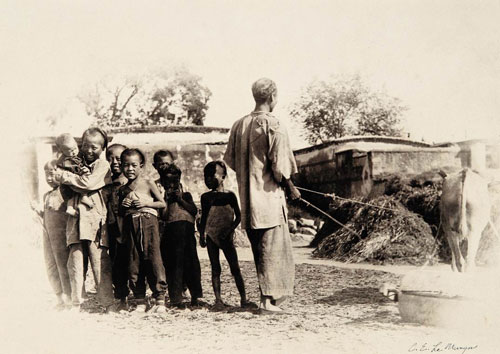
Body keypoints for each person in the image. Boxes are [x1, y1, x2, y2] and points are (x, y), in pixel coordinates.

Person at [223, 78, 301, 314]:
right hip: (269, 200)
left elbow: (232, 161)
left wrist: (251, 177)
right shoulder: (274, 125)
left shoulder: (239, 125)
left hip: (248, 200)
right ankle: (268, 301)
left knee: (260, 249)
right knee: (273, 250)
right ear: (273, 97)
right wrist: (290, 186)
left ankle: (266, 299)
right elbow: (280, 168)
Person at [51, 127, 114, 312]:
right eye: (85, 145)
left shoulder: (103, 166)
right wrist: (69, 178)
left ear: (102, 149)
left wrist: (66, 177)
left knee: (99, 261)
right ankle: (76, 302)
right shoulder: (74, 162)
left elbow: (88, 183)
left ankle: (107, 302)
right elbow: (70, 183)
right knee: (75, 262)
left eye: (94, 147)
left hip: (95, 221)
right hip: (75, 220)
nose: (88, 150)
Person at [199, 161, 254, 309]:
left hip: (226, 236)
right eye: (206, 176)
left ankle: (243, 299)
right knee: (215, 267)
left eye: (212, 175)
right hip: (211, 235)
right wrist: (202, 235)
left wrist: (230, 231)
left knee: (235, 268)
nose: (208, 179)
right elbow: (203, 217)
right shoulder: (205, 197)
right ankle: (218, 300)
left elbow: (239, 216)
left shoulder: (230, 196)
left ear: (223, 177)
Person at [118, 148, 168, 312]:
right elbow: (121, 212)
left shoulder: (147, 182)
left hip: (148, 223)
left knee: (153, 258)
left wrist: (146, 203)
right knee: (134, 261)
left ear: (141, 165)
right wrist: (124, 206)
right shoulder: (123, 188)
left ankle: (160, 299)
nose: (130, 169)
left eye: (133, 165)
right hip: (131, 226)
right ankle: (140, 300)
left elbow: (162, 204)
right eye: (126, 165)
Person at [160, 164, 203, 307]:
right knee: (174, 266)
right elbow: (165, 216)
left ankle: (196, 297)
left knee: (191, 264)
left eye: (175, 180)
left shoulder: (187, 195)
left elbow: (193, 210)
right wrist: (166, 201)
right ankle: (176, 298)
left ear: (179, 180)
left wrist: (180, 199)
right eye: (168, 181)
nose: (172, 184)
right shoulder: (164, 197)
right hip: (172, 232)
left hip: (187, 232)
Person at [34, 161, 72, 309]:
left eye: (53, 173)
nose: (49, 178)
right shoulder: (47, 195)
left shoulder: (66, 191)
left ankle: (68, 296)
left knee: (62, 264)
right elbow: (48, 215)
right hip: (48, 235)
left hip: (61, 236)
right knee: (50, 264)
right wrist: (39, 212)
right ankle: (58, 296)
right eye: (46, 174)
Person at [102, 143, 129, 310]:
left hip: (129, 227)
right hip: (113, 228)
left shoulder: (131, 182)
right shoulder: (106, 183)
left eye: (119, 158)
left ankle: (142, 296)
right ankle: (122, 297)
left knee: (133, 262)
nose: (115, 162)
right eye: (110, 158)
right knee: (117, 262)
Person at [54, 133, 93, 216]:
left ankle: (82, 198)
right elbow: (59, 172)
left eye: (75, 148)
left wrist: (86, 168)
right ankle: (71, 207)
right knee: (71, 194)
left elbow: (85, 162)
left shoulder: (81, 153)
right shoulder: (62, 161)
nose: (74, 152)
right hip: (68, 184)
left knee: (83, 183)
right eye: (70, 151)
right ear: (62, 151)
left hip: (79, 177)